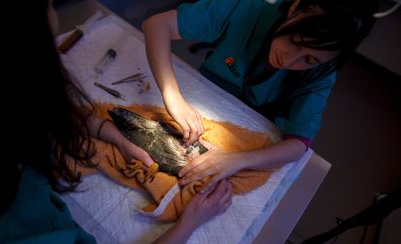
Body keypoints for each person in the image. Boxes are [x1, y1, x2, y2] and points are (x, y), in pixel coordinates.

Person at [0, 0, 232, 244]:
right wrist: (186, 226)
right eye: (49, 4)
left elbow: (50, 114)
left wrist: (115, 136)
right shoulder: (13, 237)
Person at [142, 0, 379, 192]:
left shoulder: (322, 74)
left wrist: (238, 160)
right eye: (295, 41)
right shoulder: (245, 10)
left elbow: (299, 144)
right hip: (205, 97)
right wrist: (172, 95)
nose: (287, 61)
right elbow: (156, 25)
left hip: (254, 129)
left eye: (309, 60)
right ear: (295, 7)